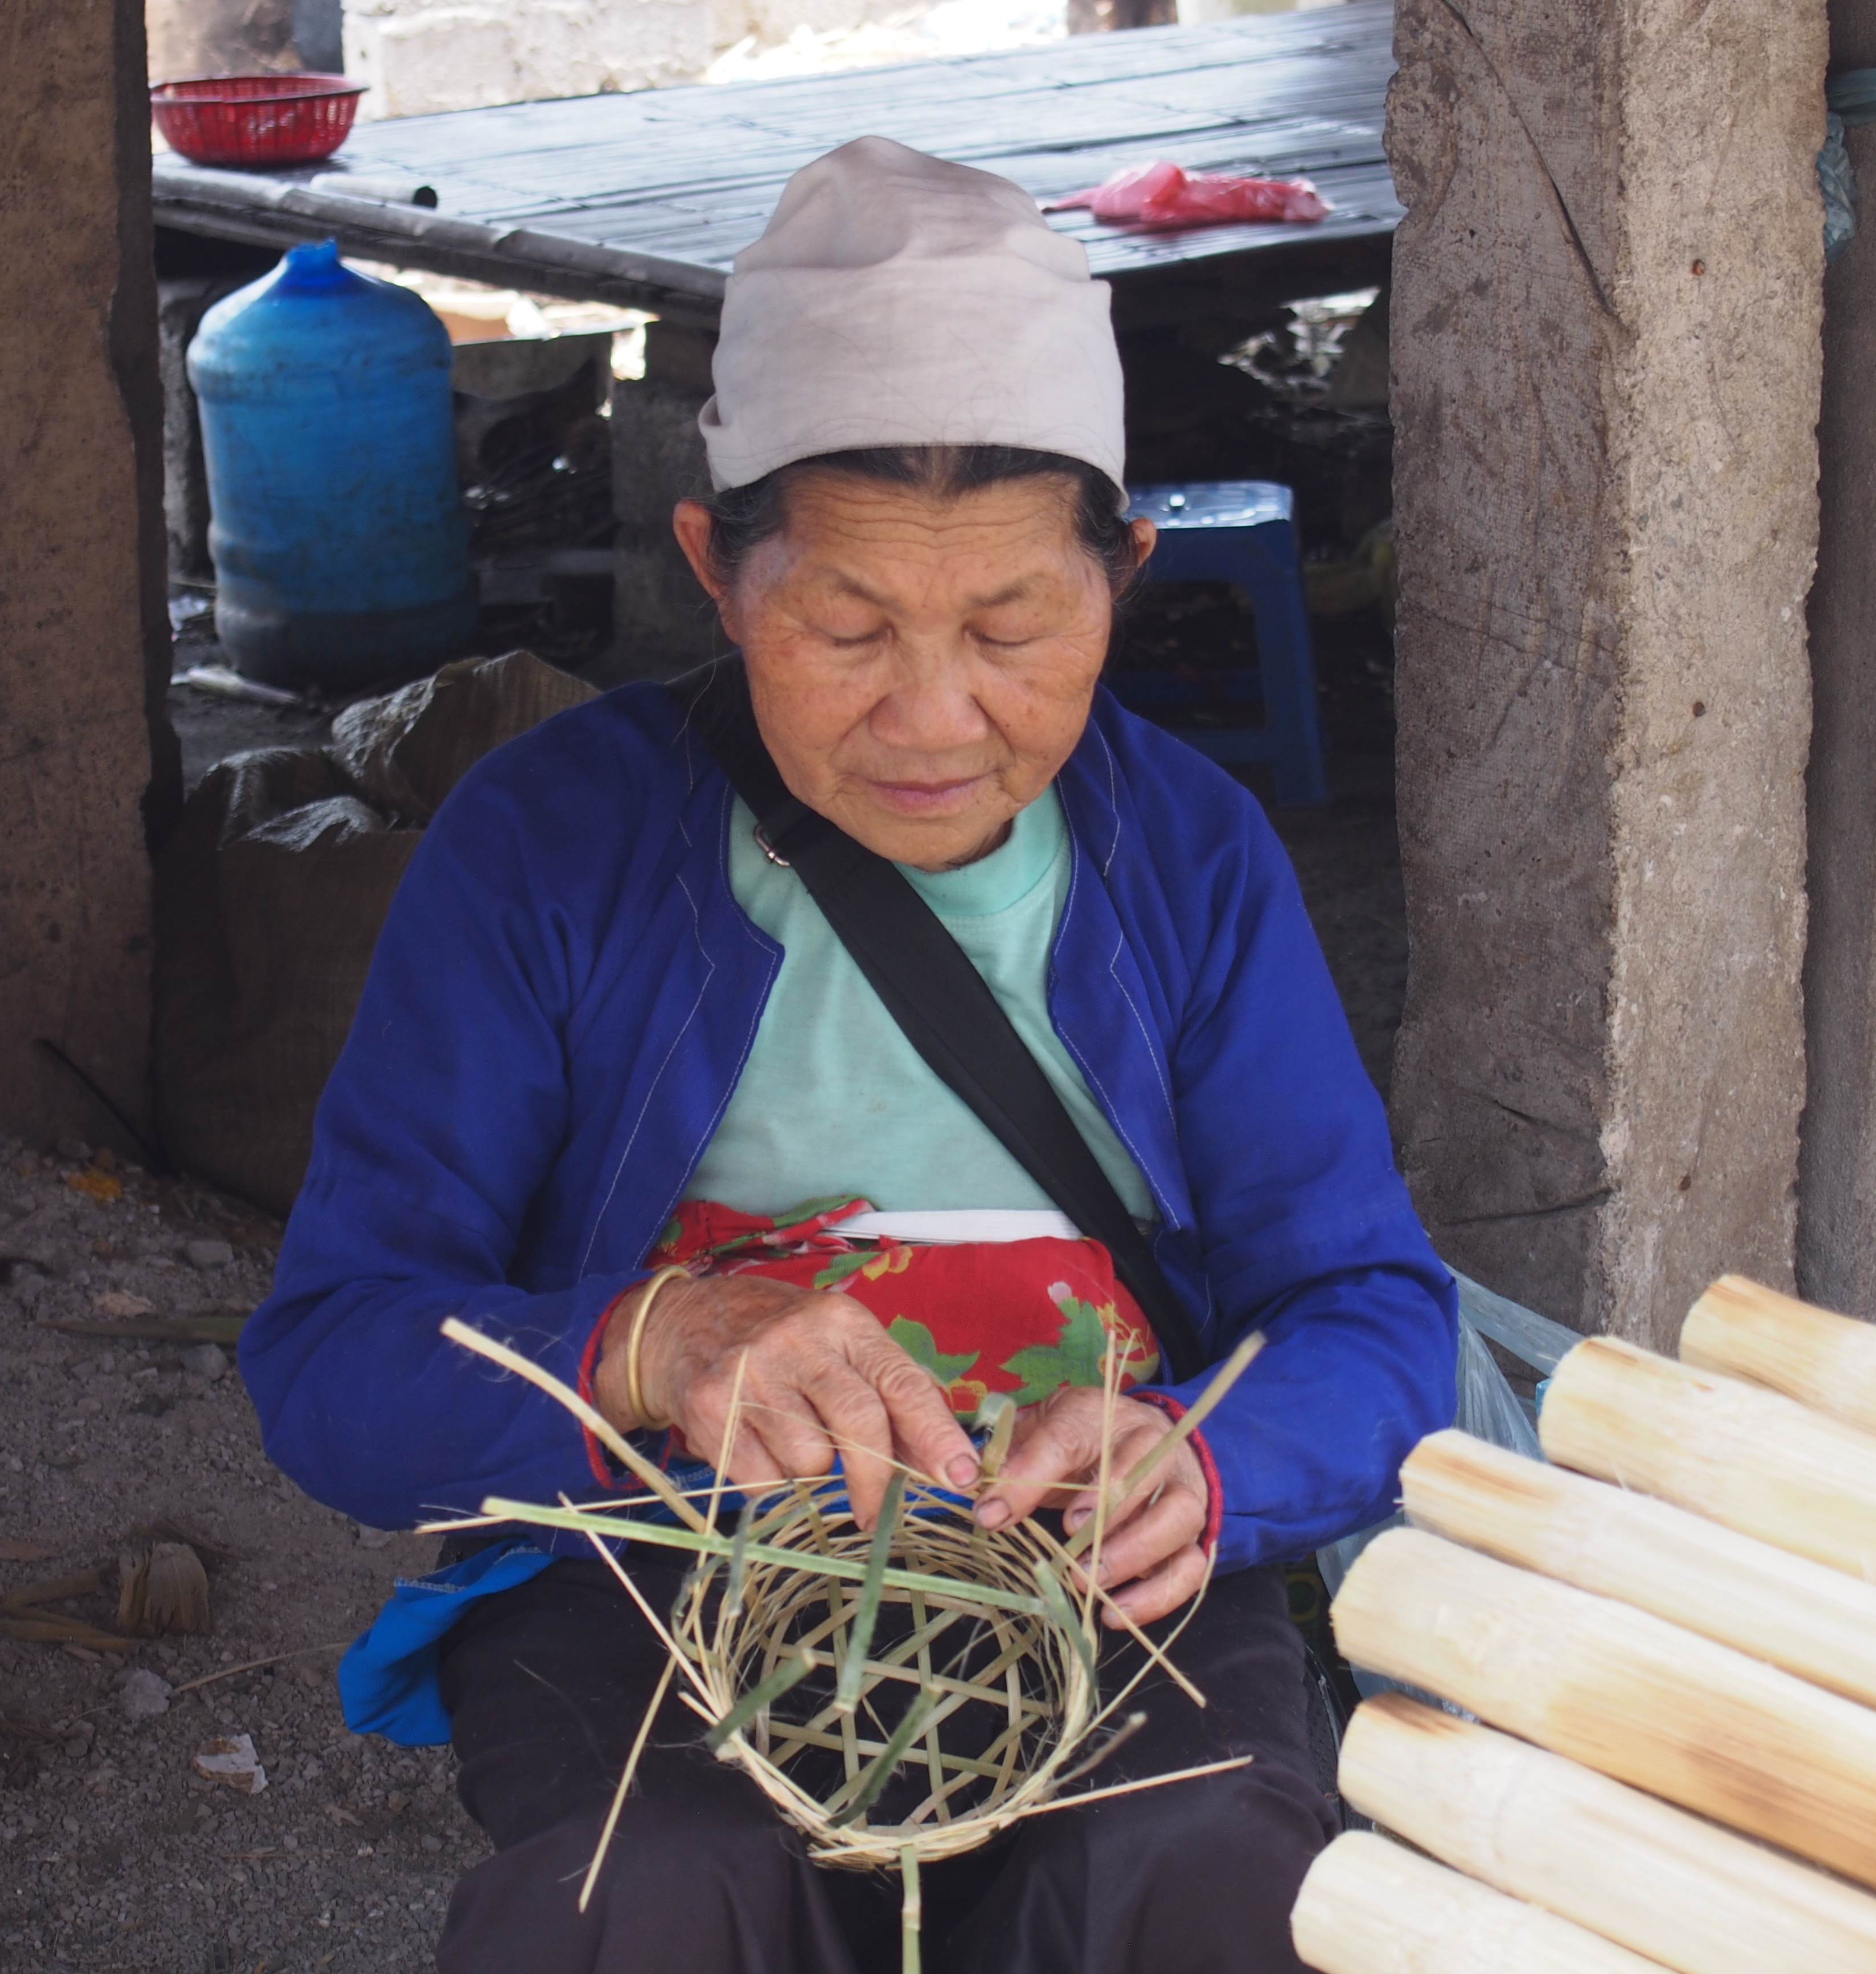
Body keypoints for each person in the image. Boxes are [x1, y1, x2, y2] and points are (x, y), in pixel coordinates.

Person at [240, 135, 1457, 1974]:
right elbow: (333, 1362)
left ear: (1123, 573)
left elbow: (1371, 1312)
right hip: (657, 1569)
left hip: (1095, 1565)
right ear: (717, 574)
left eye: (1014, 625)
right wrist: (651, 1344)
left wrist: (1211, 1465)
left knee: (1208, 1873)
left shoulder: (1189, 858)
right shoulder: (549, 845)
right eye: (846, 624)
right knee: (645, 1898)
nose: (935, 716)